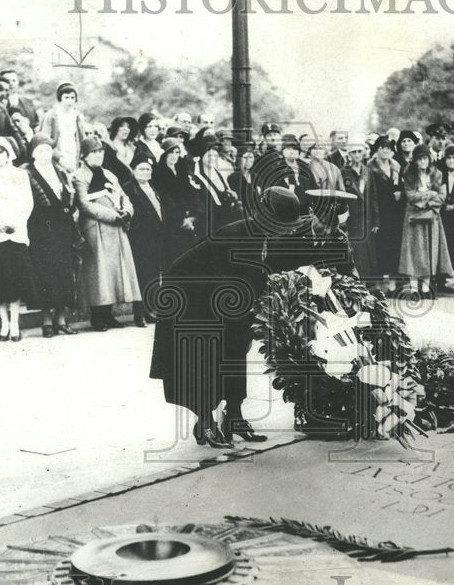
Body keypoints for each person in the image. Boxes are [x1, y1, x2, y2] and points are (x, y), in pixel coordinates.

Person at [150, 187, 315, 448]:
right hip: (189, 299)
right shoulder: (241, 236)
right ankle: (205, 422)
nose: (290, 230)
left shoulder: (261, 233)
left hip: (220, 297)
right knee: (203, 361)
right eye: (286, 224)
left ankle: (234, 417)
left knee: (235, 350)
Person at [73, 137, 143, 330]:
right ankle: (97, 316)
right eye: (94, 152)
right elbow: (85, 204)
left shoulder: (110, 175)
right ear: (85, 155)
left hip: (116, 228)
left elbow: (124, 196)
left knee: (114, 271)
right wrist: (112, 216)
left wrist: (127, 211)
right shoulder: (79, 176)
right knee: (99, 272)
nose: (99, 155)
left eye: (101, 151)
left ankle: (109, 314)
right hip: (96, 228)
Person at [0, 136, 35, 341]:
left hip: (16, 232)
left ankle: (15, 323)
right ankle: (4, 323)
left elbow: (27, 203)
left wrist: (15, 224)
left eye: (1, 152)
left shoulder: (20, 175)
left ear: (8, 152)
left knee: (15, 280)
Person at [23, 133, 78, 337]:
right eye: (41, 150)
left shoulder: (60, 171)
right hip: (40, 229)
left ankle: (61, 319)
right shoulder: (28, 173)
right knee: (44, 274)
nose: (45, 153)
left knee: (64, 272)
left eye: (48, 149)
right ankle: (46, 320)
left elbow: (67, 197)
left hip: (62, 228)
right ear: (34, 153)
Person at [398, 145, 453, 296]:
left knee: (430, 250)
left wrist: (425, 200)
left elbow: (442, 196)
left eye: (425, 158)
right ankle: (414, 289)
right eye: (419, 159)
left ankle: (426, 288)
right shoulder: (408, 174)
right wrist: (430, 194)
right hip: (413, 217)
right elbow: (410, 196)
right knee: (414, 252)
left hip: (432, 216)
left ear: (429, 159)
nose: (423, 162)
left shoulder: (437, 174)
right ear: (415, 161)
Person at [124, 154, 171, 325]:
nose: (145, 172)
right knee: (141, 274)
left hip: (156, 238)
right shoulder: (129, 189)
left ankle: (151, 309)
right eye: (141, 169)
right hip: (140, 239)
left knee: (152, 275)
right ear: (134, 171)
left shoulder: (153, 188)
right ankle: (140, 313)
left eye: (148, 169)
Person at [368, 135, 404, 290]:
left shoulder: (396, 166)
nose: (385, 151)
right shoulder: (370, 166)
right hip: (379, 210)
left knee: (394, 244)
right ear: (377, 149)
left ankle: (393, 282)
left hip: (395, 211)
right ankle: (380, 283)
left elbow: (402, 186)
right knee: (380, 246)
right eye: (382, 147)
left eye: (388, 148)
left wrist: (400, 194)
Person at [340, 143, 379, 280]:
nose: (357, 155)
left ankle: (367, 282)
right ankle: (356, 281)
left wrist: (376, 221)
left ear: (363, 153)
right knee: (356, 250)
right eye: (353, 152)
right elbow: (341, 196)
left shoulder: (368, 172)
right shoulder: (343, 172)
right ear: (349, 154)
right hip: (352, 219)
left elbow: (374, 197)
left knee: (368, 251)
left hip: (367, 218)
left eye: (359, 152)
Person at [39, 82, 85, 171]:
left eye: (72, 98)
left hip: (74, 154)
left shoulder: (77, 116)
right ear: (60, 98)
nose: (70, 101)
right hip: (56, 156)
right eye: (66, 97)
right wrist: (58, 158)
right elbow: (44, 140)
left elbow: (81, 138)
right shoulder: (52, 115)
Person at [438, 144, 454, 293]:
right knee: (443, 247)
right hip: (443, 215)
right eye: (449, 158)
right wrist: (444, 205)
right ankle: (441, 281)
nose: (452, 161)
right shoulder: (440, 173)